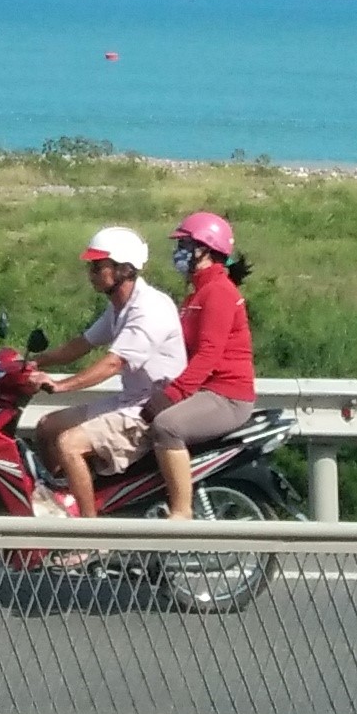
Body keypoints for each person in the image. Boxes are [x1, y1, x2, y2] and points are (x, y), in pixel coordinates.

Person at [27, 224, 184, 517]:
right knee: (48, 426)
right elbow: (83, 343)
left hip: (148, 410)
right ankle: (63, 502)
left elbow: (113, 363)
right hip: (130, 401)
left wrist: (61, 386)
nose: (91, 273)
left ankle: (91, 532)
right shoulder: (119, 307)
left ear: (124, 269)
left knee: (69, 444)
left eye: (98, 266)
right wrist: (35, 362)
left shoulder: (149, 309)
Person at [149, 210, 257, 520]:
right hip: (207, 391)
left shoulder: (219, 292)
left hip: (227, 395)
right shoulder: (199, 294)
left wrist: (173, 395)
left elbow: (209, 354)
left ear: (205, 250)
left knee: (166, 426)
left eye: (184, 246)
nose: (178, 253)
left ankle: (181, 512)